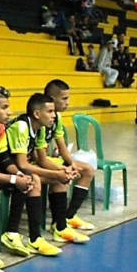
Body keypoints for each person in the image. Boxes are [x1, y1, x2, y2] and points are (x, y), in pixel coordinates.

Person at [0, 86, 61, 259]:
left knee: (28, 179)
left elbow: (4, 160)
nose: (10, 112)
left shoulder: (0, 128)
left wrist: (18, 175)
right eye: (4, 107)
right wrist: (13, 179)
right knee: (1, 187)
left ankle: (30, 237)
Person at [5, 93, 89, 245]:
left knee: (60, 178)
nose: (53, 116)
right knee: (36, 179)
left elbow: (42, 159)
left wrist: (63, 170)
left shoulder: (41, 127)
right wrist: (56, 173)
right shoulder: (22, 126)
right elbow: (23, 164)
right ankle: (34, 238)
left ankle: (60, 227)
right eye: (50, 112)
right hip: (8, 169)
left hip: (21, 168)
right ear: (37, 114)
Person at [37, 80, 95, 231]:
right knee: (62, 175)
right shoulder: (40, 119)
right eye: (64, 99)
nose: (68, 103)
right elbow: (38, 158)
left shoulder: (57, 118)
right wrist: (62, 168)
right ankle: (58, 223)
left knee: (87, 170)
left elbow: (62, 146)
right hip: (35, 162)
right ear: (51, 98)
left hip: (47, 159)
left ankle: (68, 216)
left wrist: (72, 163)